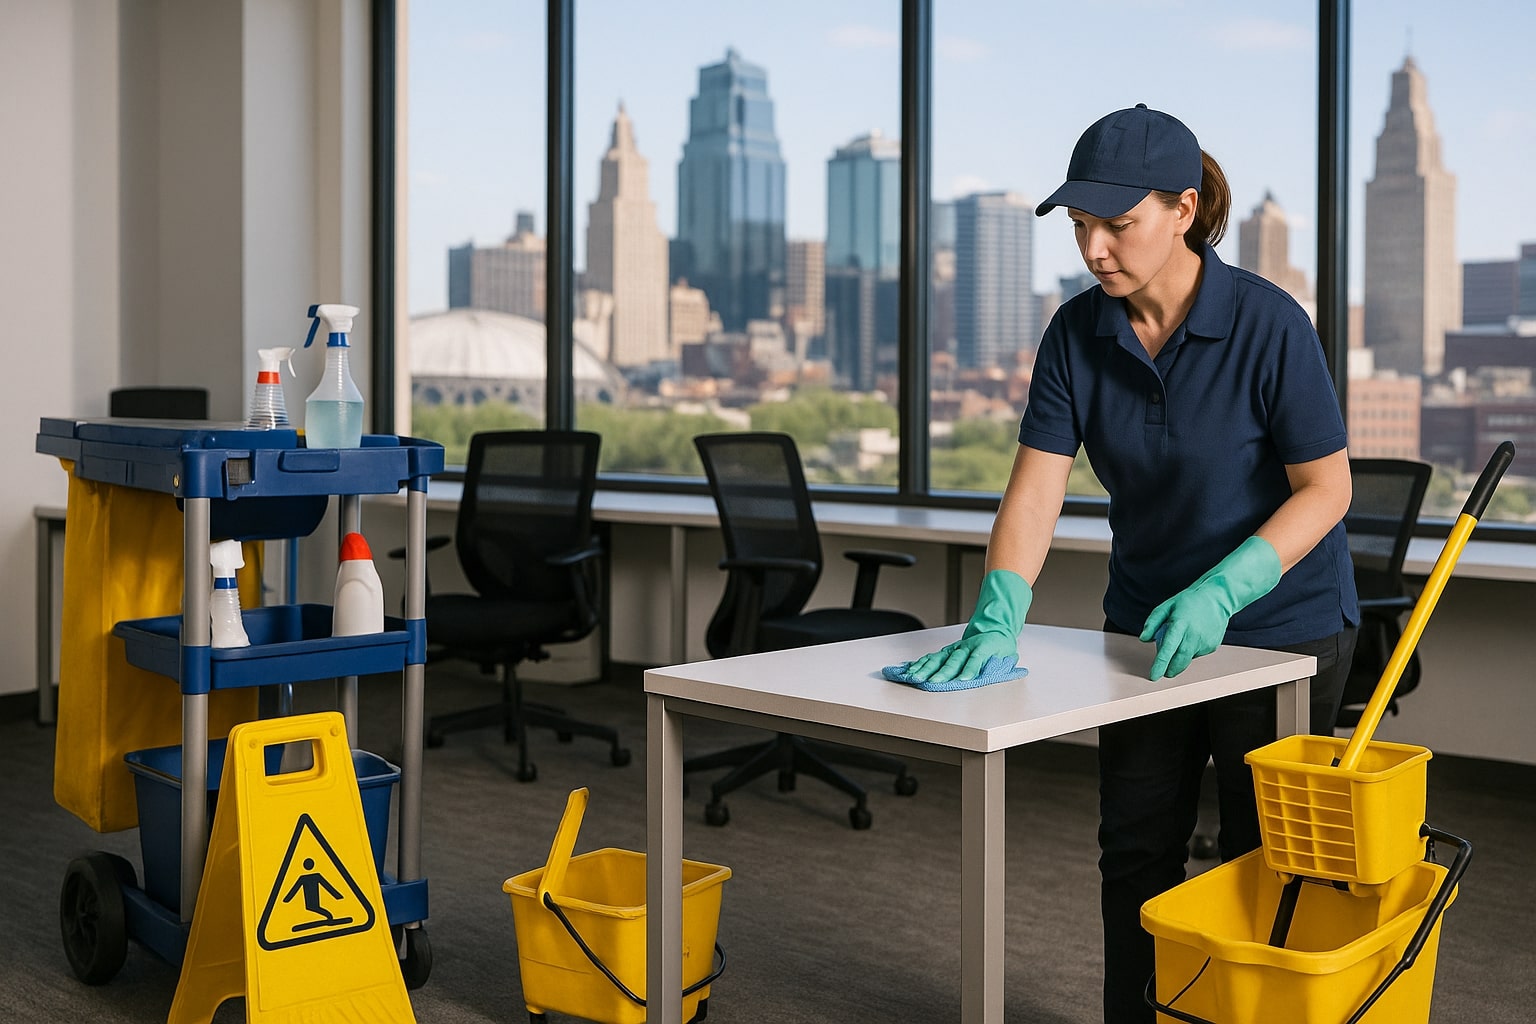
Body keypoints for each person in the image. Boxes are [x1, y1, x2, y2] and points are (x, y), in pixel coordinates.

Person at [900, 104, 1359, 1023]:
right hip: (1146, 627)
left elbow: (1327, 489)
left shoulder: (1269, 325)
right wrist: (1001, 609)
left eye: (1118, 224)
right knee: (1136, 847)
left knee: (1254, 854)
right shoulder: (1077, 334)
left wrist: (1226, 587)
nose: (1095, 248)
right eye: (1080, 227)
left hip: (1279, 628)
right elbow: (1036, 487)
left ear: (1183, 210)